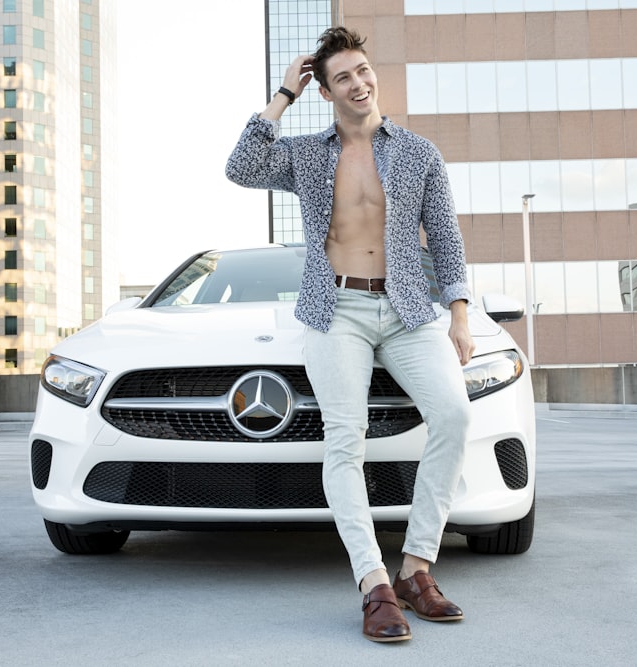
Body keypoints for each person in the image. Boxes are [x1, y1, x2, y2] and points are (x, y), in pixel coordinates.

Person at [226, 26, 474, 643]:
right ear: (326, 89)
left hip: (407, 308)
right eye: (343, 77)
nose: (359, 84)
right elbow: (241, 166)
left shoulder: (418, 152)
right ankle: (374, 584)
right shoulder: (308, 153)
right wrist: (283, 93)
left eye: (363, 71)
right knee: (345, 438)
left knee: (453, 416)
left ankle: (417, 568)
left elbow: (444, 236)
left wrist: (461, 314)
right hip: (335, 309)